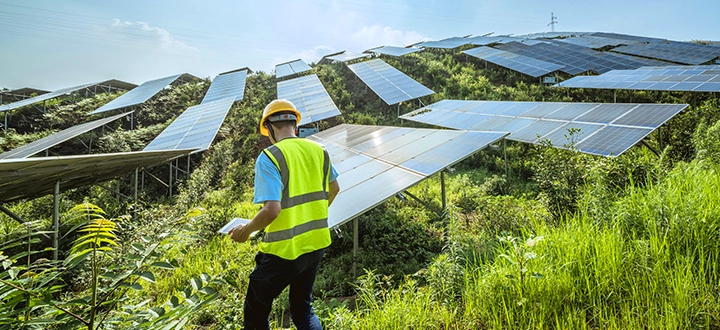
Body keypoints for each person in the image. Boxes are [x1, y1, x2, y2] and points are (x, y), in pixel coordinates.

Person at [229, 99, 340, 330]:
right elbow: (335, 189)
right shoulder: (320, 150)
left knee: (256, 311)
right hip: (316, 243)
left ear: (268, 127)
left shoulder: (269, 157)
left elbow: (272, 210)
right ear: (295, 125)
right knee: (302, 307)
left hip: (284, 251)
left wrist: (245, 231)